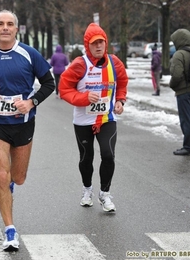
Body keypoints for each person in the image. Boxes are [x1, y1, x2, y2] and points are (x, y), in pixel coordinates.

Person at [0, 10, 55, 251]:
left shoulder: (29, 54)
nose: (5, 28)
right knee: (2, 175)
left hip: (23, 123)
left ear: (16, 29)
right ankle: (10, 230)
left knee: (18, 177)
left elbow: (49, 83)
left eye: (10, 24)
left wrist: (31, 102)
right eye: (1, 24)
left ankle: (10, 186)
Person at [58, 23, 128, 212]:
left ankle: (105, 194)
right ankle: (87, 189)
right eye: (94, 43)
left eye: (101, 43)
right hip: (83, 121)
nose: (98, 46)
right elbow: (64, 89)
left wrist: (120, 100)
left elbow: (122, 82)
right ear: (87, 45)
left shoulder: (114, 62)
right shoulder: (80, 64)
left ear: (106, 44)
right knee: (86, 158)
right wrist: (84, 98)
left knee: (108, 154)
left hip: (106, 118)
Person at [169, 29, 190, 156]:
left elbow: (176, 75)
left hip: (183, 92)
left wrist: (172, 85)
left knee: (186, 120)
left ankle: (188, 147)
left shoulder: (179, 54)